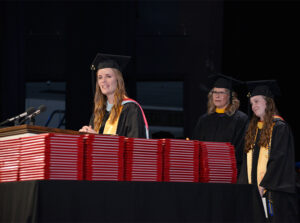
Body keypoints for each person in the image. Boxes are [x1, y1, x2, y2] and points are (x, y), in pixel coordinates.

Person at [238, 80, 298, 222]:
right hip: (253, 192)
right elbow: (247, 164)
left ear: (268, 102)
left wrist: (264, 185)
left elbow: (279, 160)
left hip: (274, 193)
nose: (254, 106)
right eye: (252, 103)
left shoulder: (279, 127)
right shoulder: (253, 129)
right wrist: (244, 187)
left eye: (257, 101)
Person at [79, 53, 149, 139]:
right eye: (100, 77)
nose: (103, 81)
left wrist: (97, 138)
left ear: (118, 80)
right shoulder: (98, 113)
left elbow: (136, 145)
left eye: (108, 76)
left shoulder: (130, 109)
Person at [193, 74, 248, 175]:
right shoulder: (204, 120)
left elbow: (241, 150)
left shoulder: (240, 119)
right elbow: (196, 147)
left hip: (229, 171)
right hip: (205, 172)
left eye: (222, 92)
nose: (217, 96)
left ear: (230, 96)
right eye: (215, 92)